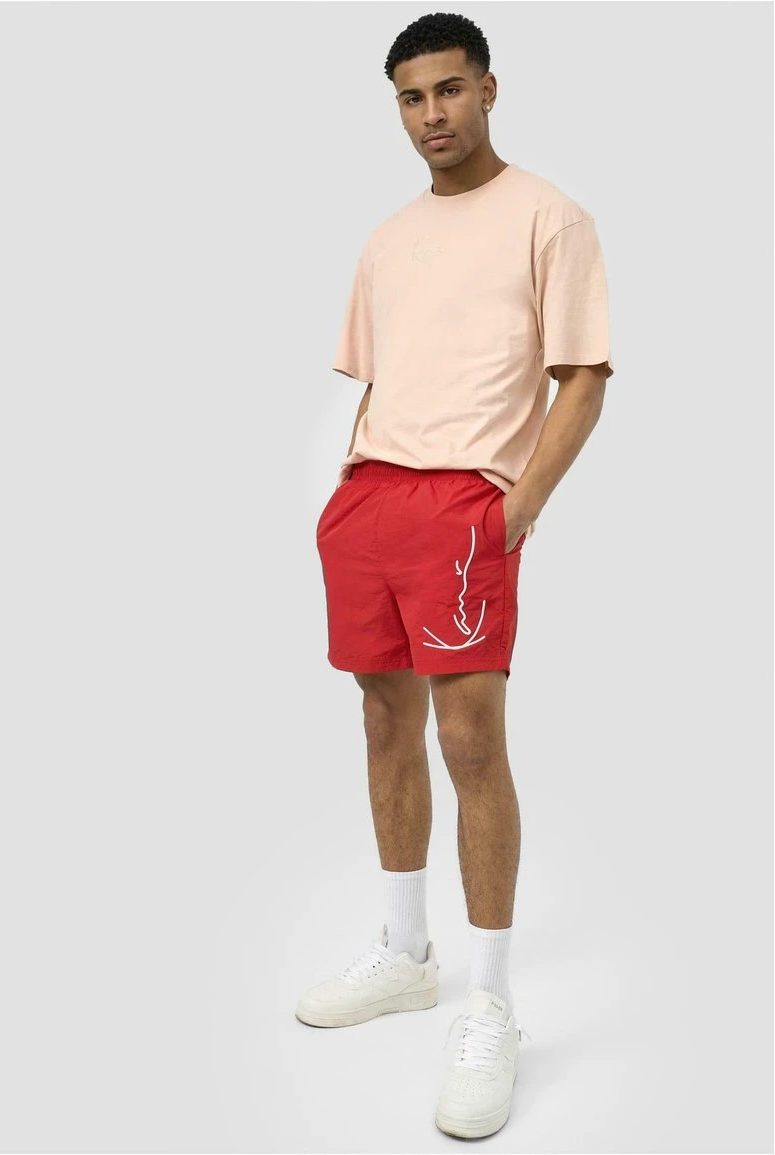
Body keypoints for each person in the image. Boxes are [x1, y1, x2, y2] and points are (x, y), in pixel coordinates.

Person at [296, 10, 614, 1140]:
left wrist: (516, 508)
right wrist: (345, 493)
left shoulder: (549, 217)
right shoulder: (388, 238)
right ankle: (404, 952)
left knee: (471, 740)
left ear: (487, 89)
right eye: (410, 97)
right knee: (384, 717)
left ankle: (490, 1005)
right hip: (369, 500)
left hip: (466, 507)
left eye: (447, 89)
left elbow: (583, 375)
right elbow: (379, 378)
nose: (430, 113)